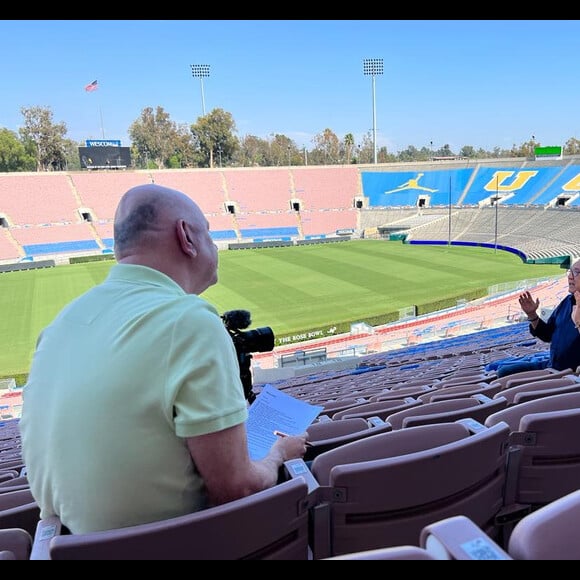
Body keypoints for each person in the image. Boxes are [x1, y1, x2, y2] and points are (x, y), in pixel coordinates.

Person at [19, 183, 308, 535]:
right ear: (186, 236)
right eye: (209, 234)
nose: (213, 245)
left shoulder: (59, 325)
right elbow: (237, 489)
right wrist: (279, 453)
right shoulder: (189, 320)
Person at [495, 259, 580, 378]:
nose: (570, 277)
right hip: (551, 365)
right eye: (570, 272)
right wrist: (532, 315)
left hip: (567, 375)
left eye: (576, 272)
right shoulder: (567, 301)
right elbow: (547, 335)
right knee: (504, 371)